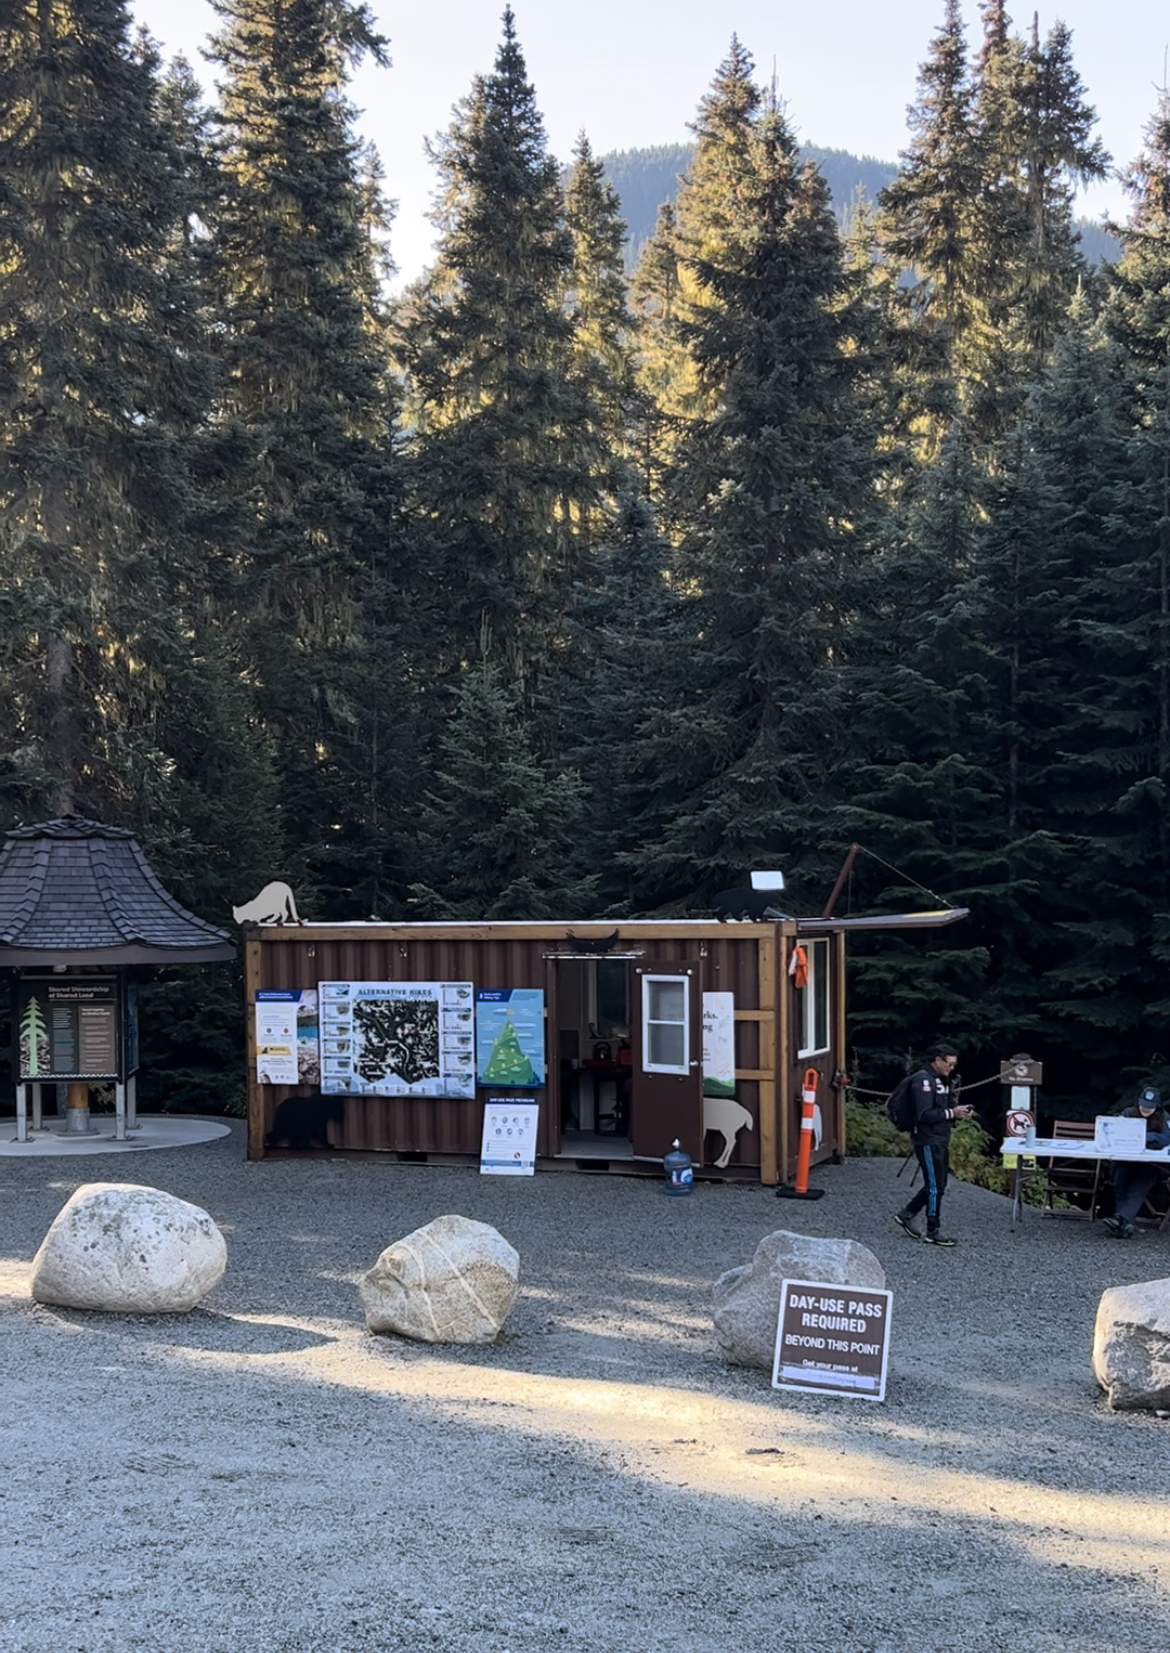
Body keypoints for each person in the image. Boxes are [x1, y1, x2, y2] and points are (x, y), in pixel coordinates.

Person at [893, 1043, 974, 1246]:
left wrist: (958, 1111)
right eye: (949, 1063)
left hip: (940, 1138)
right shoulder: (923, 1081)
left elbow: (944, 1108)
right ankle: (932, 1229)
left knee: (938, 1185)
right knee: (935, 1186)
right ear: (937, 1060)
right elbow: (924, 1115)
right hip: (927, 1140)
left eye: (954, 1065)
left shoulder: (941, 1080)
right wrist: (951, 1113)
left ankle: (907, 1214)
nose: (951, 1068)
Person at [1102, 1086, 1170, 1238]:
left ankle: (1120, 1221)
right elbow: (1115, 1133)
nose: (1146, 1108)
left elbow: (1166, 1138)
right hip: (1126, 1162)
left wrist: (1141, 1137)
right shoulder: (1128, 1113)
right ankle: (1125, 1226)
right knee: (1120, 1185)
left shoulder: (1164, 1117)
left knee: (1137, 1189)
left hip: (1152, 1165)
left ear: (1157, 1106)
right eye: (1144, 1104)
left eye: (1150, 1106)